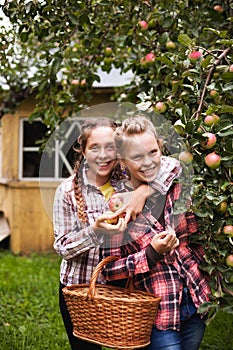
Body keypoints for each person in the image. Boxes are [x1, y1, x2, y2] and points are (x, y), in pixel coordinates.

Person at [101, 115, 211, 350]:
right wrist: (151, 253)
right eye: (137, 157)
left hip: (196, 297)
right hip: (158, 311)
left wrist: (143, 192)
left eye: (152, 152)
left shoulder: (176, 184)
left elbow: (176, 164)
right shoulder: (118, 206)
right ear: (122, 162)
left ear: (160, 147)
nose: (149, 162)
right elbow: (109, 270)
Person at [53, 118, 158, 350]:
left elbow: (168, 166)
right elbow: (62, 247)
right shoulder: (68, 191)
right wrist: (94, 232)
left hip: (124, 285)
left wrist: (143, 190)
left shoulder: (130, 179)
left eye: (110, 147)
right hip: (80, 290)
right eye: (94, 147)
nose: (103, 155)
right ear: (83, 150)